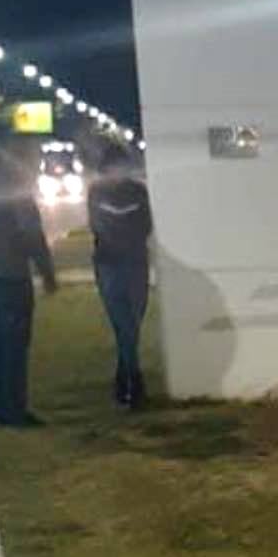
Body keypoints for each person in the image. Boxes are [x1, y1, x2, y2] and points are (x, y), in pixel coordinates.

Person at [0, 143, 56, 427]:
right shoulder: (14, 188)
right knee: (13, 347)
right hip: (9, 277)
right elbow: (31, 233)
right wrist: (47, 272)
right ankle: (12, 410)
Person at [88, 143, 152, 408]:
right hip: (110, 264)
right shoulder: (97, 192)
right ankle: (132, 383)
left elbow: (146, 225)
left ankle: (125, 378)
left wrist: (126, 238)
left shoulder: (137, 191)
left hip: (134, 263)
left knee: (131, 324)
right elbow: (98, 227)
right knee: (123, 324)